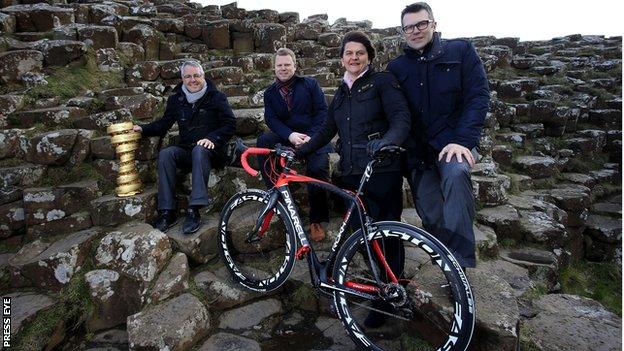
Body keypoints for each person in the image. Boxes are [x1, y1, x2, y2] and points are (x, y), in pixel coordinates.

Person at [297, 31, 410, 327]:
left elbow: (401, 118)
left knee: (386, 233)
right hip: (350, 172)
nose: (354, 57)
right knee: (364, 235)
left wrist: (387, 142)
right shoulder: (342, 91)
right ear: (342, 59)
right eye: (349, 53)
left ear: (369, 56)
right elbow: (325, 130)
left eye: (360, 52)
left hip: (380, 169)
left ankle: (389, 295)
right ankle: (377, 284)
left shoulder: (382, 82)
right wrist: (301, 150)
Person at [387, 2, 490, 269]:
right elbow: (395, 112)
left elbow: (477, 97)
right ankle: (444, 266)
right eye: (409, 27)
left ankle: (460, 265)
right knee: (431, 214)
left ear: (434, 23)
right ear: (403, 31)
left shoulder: (461, 51)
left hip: (453, 144)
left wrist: (463, 141)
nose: (416, 31)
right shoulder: (396, 68)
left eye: (421, 24)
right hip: (419, 153)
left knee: (456, 176)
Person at [133, 60, 236, 234]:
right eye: (188, 76)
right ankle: (167, 211)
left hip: (211, 152)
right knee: (166, 154)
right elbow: (164, 124)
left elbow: (230, 123)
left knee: (200, 149)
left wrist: (212, 138)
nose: (192, 80)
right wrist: (142, 129)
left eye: (196, 75)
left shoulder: (216, 96)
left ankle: (193, 209)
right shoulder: (176, 99)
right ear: (182, 78)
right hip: (187, 150)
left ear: (203, 76)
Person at [257, 48, 331, 242]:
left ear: (295, 66)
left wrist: (311, 137)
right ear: (274, 68)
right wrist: (290, 135)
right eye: (279, 65)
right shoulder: (270, 93)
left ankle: (317, 219)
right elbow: (271, 119)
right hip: (288, 137)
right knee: (263, 142)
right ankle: (279, 198)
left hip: (313, 138)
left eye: (287, 64)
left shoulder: (310, 84)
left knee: (317, 167)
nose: (283, 68)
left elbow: (322, 112)